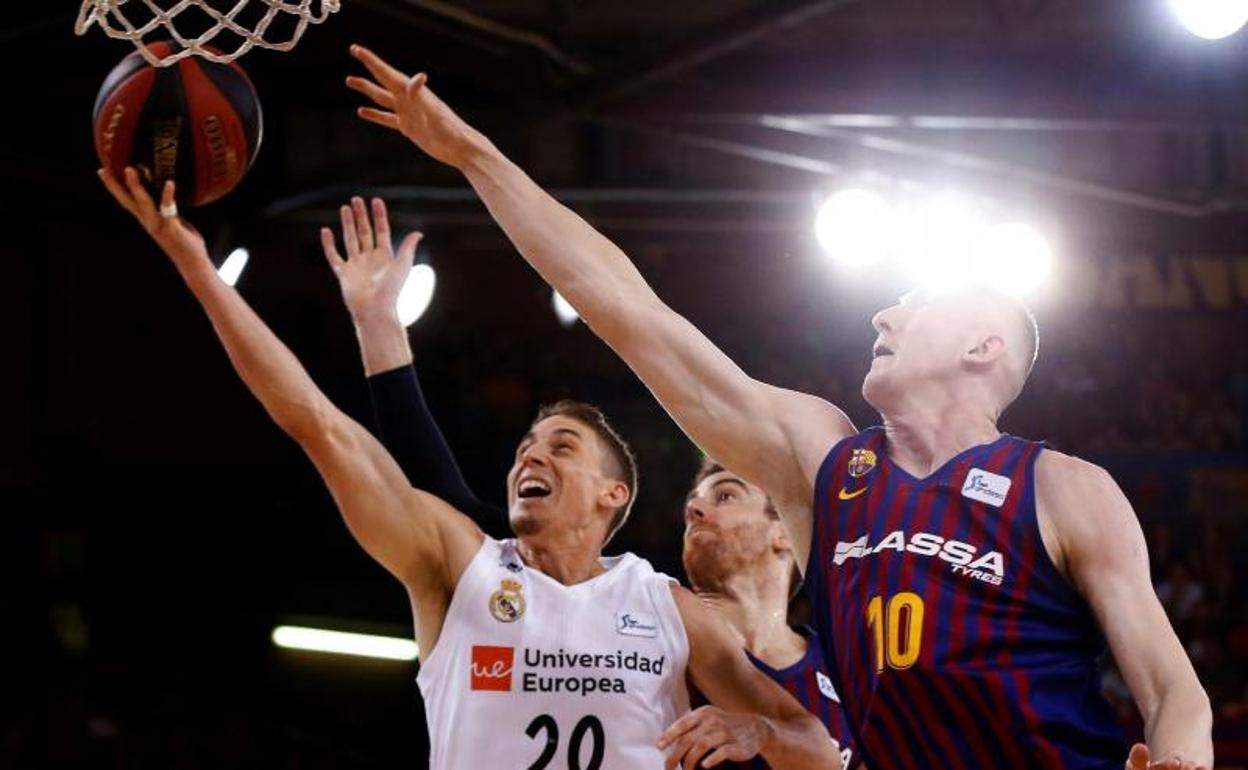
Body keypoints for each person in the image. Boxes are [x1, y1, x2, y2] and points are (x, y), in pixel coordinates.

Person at [344, 43, 1213, 770]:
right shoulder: (824, 458)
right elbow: (631, 314)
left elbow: (1175, 691)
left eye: (914, 305)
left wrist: (1180, 760)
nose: (882, 316)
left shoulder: (1060, 487)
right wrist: (475, 156)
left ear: (982, 348)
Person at [97, 169, 843, 770]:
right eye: (525, 447)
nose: (531, 455)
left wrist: (758, 733)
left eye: (561, 446)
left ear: (613, 495)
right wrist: (198, 269)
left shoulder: (667, 608)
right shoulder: (460, 566)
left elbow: (815, 747)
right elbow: (317, 424)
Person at [321, 200, 860, 769]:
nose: (696, 511)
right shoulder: (643, 606)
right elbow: (437, 496)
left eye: (725, 495)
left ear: (786, 531)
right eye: (692, 502)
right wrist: (379, 326)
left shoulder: (841, 663)